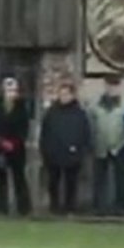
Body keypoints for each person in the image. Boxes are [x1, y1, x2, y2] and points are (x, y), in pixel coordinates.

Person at [39, 82, 92, 215]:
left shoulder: (79, 113)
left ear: (72, 95)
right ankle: (54, 206)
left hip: (73, 154)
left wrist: (81, 150)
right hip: (54, 154)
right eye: (61, 94)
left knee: (71, 183)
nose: (64, 97)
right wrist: (45, 150)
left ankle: (70, 207)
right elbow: (45, 133)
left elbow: (85, 133)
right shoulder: (52, 112)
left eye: (67, 94)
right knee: (53, 182)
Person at [0, 77, 32, 216]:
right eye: (8, 90)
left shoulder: (22, 108)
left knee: (19, 178)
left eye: (14, 90)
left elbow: (24, 129)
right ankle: (2, 208)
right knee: (1, 180)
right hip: (0, 147)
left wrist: (14, 142)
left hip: (16, 148)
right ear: (3, 91)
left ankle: (23, 209)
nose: (11, 93)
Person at [89, 76, 124, 215]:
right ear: (105, 86)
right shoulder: (95, 105)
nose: (112, 89)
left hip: (119, 145)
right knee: (99, 179)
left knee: (120, 178)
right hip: (100, 146)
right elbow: (91, 125)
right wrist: (92, 143)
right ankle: (99, 206)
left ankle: (121, 206)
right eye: (109, 85)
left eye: (115, 86)